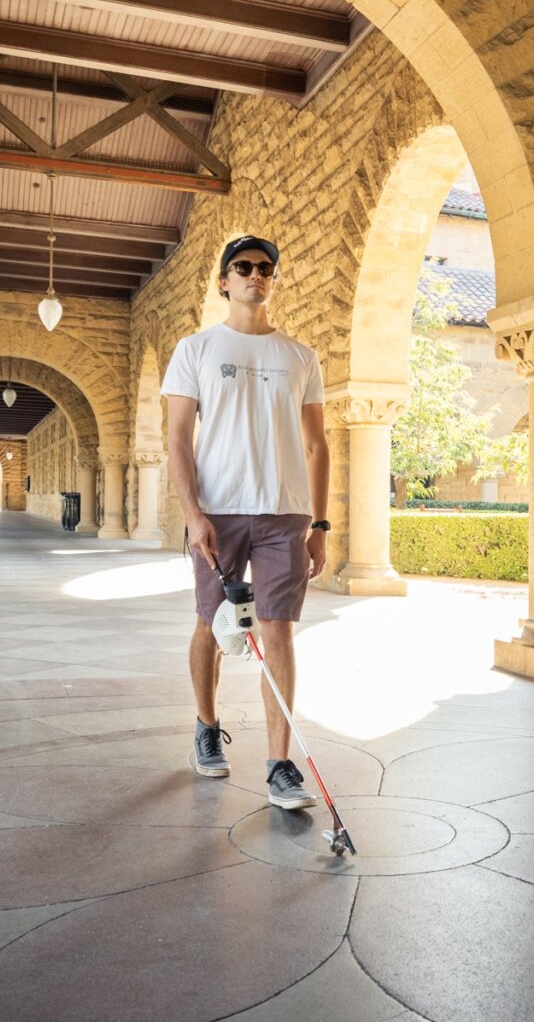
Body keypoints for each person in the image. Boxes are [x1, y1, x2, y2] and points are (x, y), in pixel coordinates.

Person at [165, 236, 330, 809]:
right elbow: (177, 439)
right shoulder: (196, 348)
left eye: (265, 268)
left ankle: (280, 765)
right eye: (244, 267)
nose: (256, 274)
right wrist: (193, 515)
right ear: (224, 281)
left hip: (285, 513)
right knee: (211, 623)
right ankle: (206, 728)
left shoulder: (301, 356)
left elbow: (317, 445)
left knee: (277, 632)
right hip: (219, 511)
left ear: (273, 280)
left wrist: (321, 524)